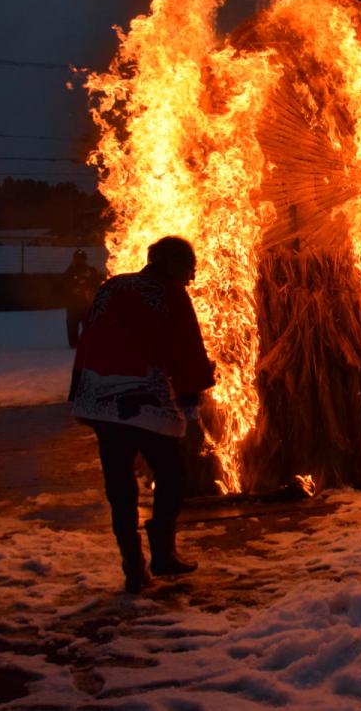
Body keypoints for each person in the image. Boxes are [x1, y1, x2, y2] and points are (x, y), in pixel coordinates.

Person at [69, 236, 215, 593]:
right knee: (171, 474)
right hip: (140, 399)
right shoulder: (169, 294)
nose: (189, 280)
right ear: (172, 265)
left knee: (119, 486)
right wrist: (191, 402)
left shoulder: (113, 285)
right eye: (188, 271)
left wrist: (81, 392)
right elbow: (187, 350)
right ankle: (163, 556)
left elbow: (90, 339)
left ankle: (133, 569)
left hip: (97, 398)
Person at [63, 249, 103, 348]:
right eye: (77, 258)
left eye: (81, 258)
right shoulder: (70, 271)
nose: (79, 261)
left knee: (88, 325)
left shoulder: (91, 271)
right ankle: (75, 344)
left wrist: (89, 291)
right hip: (74, 305)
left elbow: (96, 284)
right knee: (73, 325)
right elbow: (63, 285)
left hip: (86, 304)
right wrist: (73, 289)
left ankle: (87, 343)